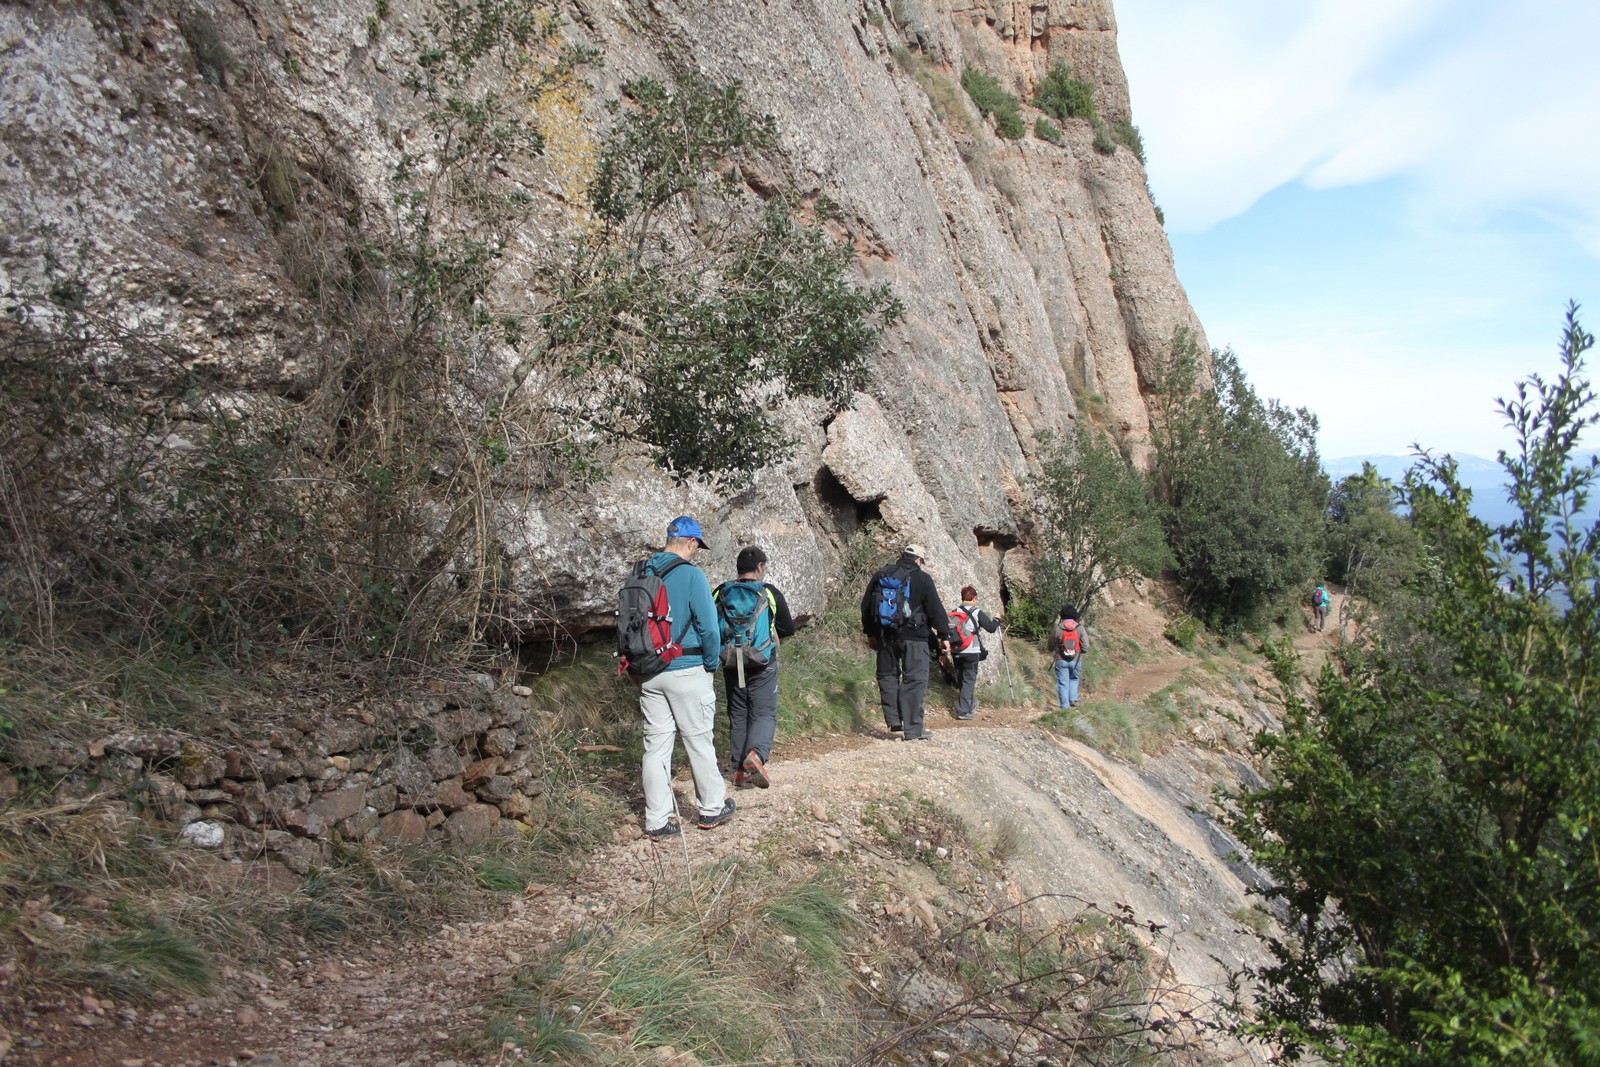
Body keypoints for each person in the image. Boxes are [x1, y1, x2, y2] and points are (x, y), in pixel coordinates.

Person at [636, 516, 734, 841]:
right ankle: (711, 808)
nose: (695, 552)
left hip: (649, 672)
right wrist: (710, 664)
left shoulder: (641, 572)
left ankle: (657, 821)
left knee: (656, 747)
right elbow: (709, 627)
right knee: (699, 741)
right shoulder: (691, 575)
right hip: (687, 668)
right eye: (696, 547)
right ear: (691, 543)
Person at [714, 546, 796, 789]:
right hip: (762, 663)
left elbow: (708, 623)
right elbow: (787, 628)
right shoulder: (768, 592)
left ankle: (739, 771)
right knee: (763, 712)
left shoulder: (721, 591)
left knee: (738, 713)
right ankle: (756, 755)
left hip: (732, 660)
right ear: (759, 567)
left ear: (738, 567)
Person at [861, 543, 952, 740]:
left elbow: (867, 606)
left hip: (885, 635)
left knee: (887, 676)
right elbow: (935, 609)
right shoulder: (922, 578)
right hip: (915, 637)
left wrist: (871, 633)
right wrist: (944, 636)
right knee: (914, 680)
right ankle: (913, 729)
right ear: (918, 560)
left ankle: (894, 721)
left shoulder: (881, 574)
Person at [949, 586, 1001, 720]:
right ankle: (963, 711)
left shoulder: (955, 612)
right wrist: (996, 620)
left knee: (962, 679)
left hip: (956, 650)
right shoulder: (977, 612)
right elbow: (991, 628)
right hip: (971, 650)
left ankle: (969, 704)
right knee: (969, 679)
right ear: (973, 598)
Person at [1048, 604, 1087, 709]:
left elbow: (1050, 645)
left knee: (1063, 682)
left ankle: (1065, 707)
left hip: (1061, 659)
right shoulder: (1079, 628)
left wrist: (1053, 649)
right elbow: (1085, 646)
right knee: (1074, 678)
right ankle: (1073, 699)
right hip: (1076, 659)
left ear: (1062, 615)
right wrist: (1081, 651)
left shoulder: (1058, 628)